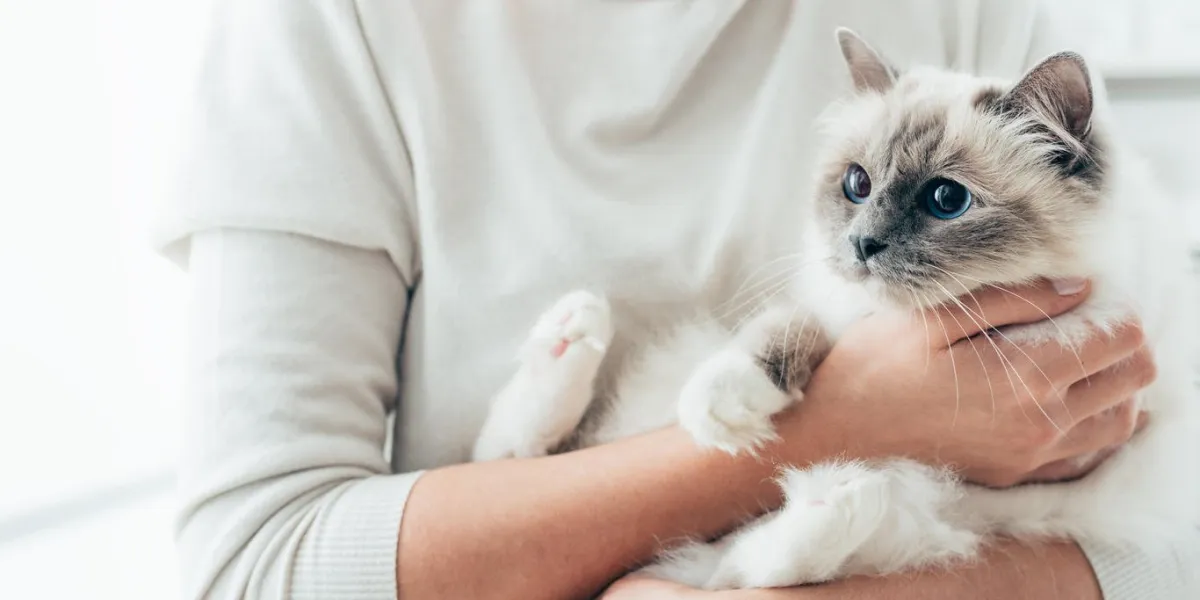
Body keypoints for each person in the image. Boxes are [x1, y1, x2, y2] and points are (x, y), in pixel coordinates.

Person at [156, 1, 1199, 599]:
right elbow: (256, 564)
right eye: (854, 189)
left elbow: (1167, 542)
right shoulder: (328, 27)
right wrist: (841, 424)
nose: (871, 234)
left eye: (936, 202)